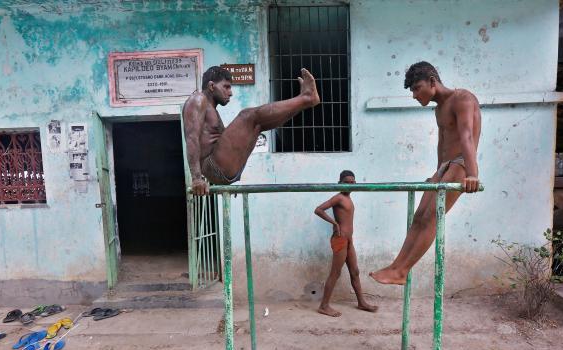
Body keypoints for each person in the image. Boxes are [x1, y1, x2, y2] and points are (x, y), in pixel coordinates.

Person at [370, 61, 482, 285]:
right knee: (419, 217)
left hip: (461, 165)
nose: (414, 95)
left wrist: (473, 173)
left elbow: (467, 136)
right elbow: (442, 143)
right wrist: (437, 173)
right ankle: (396, 267)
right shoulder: (439, 108)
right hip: (445, 166)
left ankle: (402, 270)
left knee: (431, 217)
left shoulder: (463, 99)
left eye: (416, 88)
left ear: (432, 81)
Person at [184, 66, 319, 195]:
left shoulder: (211, 110)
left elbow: (228, 144)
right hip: (213, 166)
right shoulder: (197, 99)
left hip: (223, 168)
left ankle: (304, 102)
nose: (230, 92)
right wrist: (196, 178)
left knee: (259, 125)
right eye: (226, 87)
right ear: (211, 86)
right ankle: (306, 98)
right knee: (247, 116)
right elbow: (191, 138)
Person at [314, 170, 378, 317]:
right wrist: (334, 223)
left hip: (349, 240)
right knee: (335, 273)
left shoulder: (348, 199)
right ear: (339, 183)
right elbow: (318, 210)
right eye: (346, 182)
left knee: (355, 271)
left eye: (352, 182)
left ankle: (361, 303)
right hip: (340, 239)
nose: (349, 185)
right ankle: (324, 306)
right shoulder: (338, 198)